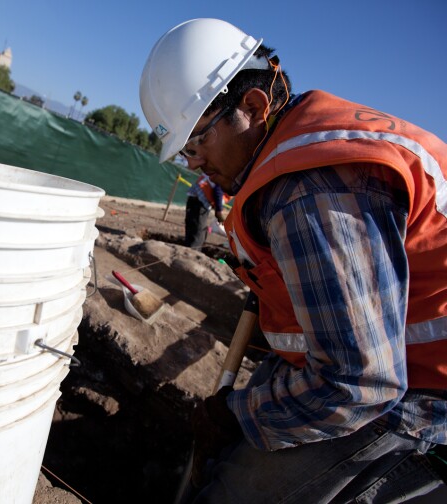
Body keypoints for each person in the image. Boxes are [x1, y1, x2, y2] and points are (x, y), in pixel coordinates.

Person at [140, 18, 447, 503]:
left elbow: (361, 383)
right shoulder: (299, 145)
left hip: (421, 399)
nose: (194, 162)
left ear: (253, 106)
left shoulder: (311, 193)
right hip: (382, 367)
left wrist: (238, 414)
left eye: (195, 143)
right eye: (184, 152)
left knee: (233, 492)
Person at [185, 173, 225, 249]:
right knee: (197, 233)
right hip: (199, 201)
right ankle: (192, 254)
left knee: (194, 230)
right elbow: (218, 190)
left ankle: (190, 252)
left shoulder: (220, 168)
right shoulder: (229, 175)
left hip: (197, 198)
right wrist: (219, 210)